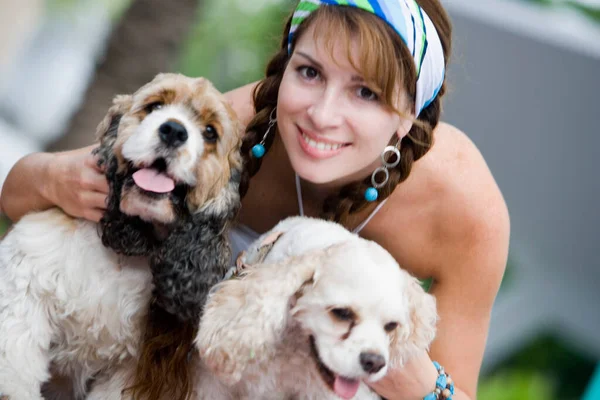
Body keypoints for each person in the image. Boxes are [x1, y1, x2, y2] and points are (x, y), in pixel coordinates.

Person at [0, 0, 510, 399]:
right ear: (285, 67)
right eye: (309, 72)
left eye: (366, 93)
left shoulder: (465, 211)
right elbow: (17, 194)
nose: (322, 115)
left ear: (408, 118)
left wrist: (417, 383)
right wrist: (52, 176)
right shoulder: (230, 129)